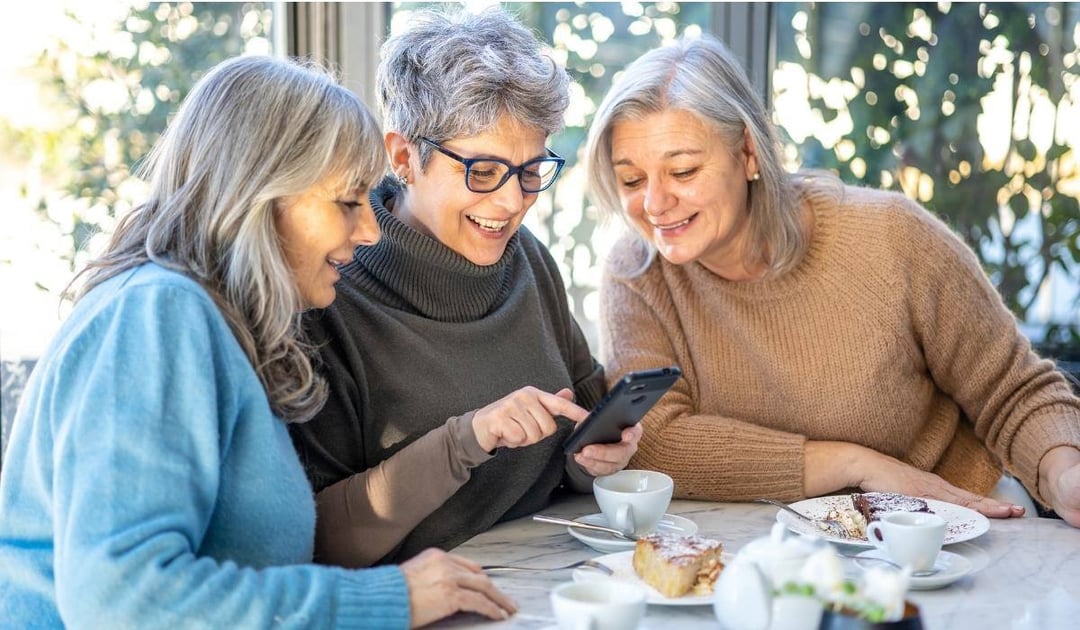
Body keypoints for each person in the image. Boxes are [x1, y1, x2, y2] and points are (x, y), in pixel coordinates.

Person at [0, 55, 516, 628]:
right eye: (347, 202)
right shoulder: (154, 314)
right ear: (258, 197)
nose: (369, 231)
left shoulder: (224, 329)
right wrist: (388, 599)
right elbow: (124, 599)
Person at [584, 35, 1080, 527]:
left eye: (683, 170)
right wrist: (855, 464)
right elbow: (654, 438)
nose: (653, 204)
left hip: (945, 526)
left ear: (749, 153)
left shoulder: (890, 238)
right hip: (754, 544)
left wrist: (1065, 475)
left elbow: (1011, 389)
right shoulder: (637, 273)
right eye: (631, 180)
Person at [289, 6, 641, 568]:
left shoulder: (528, 259)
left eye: (531, 172)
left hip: (549, 576)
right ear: (405, 156)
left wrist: (597, 455)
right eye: (482, 171)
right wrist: (468, 439)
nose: (511, 203)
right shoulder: (328, 295)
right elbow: (320, 541)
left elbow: (575, 447)